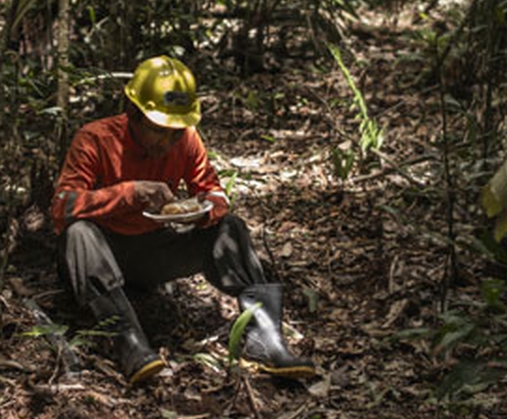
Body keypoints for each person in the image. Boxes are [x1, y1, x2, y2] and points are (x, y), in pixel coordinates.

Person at [51, 54, 318, 386]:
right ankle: (131, 347)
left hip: (153, 251)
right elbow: (63, 206)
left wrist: (206, 210)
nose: (167, 141)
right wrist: (130, 193)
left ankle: (266, 340)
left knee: (230, 229)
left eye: (175, 132)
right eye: (159, 130)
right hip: (102, 254)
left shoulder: (187, 139)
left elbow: (214, 192)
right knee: (78, 233)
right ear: (134, 114)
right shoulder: (95, 138)